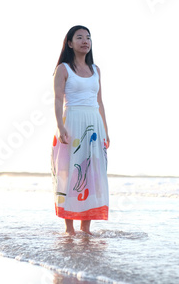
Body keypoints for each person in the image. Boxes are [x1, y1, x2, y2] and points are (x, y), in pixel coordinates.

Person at [51, 25, 110, 236]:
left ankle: (86, 228)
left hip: (94, 124)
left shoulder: (96, 70)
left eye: (88, 38)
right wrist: (60, 126)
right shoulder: (63, 69)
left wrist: (106, 131)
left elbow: (100, 102)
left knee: (92, 172)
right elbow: (58, 99)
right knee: (70, 171)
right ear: (69, 43)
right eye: (79, 37)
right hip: (72, 122)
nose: (85, 41)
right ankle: (69, 229)